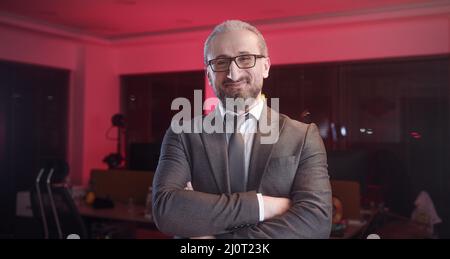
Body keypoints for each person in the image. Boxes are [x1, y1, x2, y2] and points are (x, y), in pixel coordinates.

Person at [152, 20, 332, 238]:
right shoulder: (182, 135)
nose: (233, 74)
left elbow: (316, 222)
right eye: (220, 62)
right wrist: (262, 206)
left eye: (245, 58)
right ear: (209, 73)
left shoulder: (303, 137)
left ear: (265, 66)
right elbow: (166, 212)